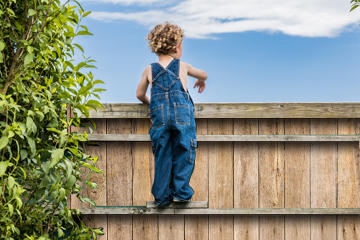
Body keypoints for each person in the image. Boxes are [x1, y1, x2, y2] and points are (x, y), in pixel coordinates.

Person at [136, 21, 207, 207]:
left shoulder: (149, 70)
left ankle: (161, 197)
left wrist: (153, 104)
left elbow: (139, 94)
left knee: (163, 155)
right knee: (184, 149)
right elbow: (204, 74)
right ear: (177, 47)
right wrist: (200, 79)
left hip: (159, 119)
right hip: (182, 117)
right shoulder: (182, 66)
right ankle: (181, 192)